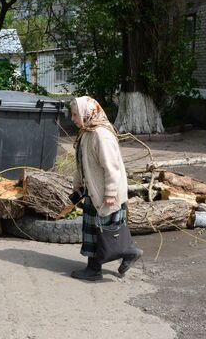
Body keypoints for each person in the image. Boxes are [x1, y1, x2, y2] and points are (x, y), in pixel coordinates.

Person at [69, 96, 142, 281]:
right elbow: (82, 163)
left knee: (105, 231)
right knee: (99, 230)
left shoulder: (101, 134)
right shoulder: (86, 132)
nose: (73, 118)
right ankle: (126, 253)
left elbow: (112, 167)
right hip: (94, 190)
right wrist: (77, 185)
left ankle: (98, 268)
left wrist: (110, 193)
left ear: (87, 113)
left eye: (75, 114)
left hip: (105, 192)